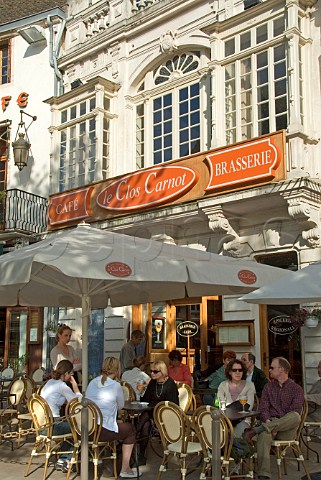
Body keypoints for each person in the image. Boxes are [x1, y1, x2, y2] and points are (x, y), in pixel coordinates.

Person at [243, 357, 304, 480]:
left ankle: (257, 430)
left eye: (272, 367)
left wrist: (276, 425)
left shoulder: (296, 389)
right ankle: (264, 475)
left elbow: (295, 411)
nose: (269, 370)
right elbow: (264, 409)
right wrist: (269, 422)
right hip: (270, 424)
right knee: (265, 435)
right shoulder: (268, 387)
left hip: (287, 429)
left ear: (281, 370)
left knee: (295, 416)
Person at [86, 356, 139, 479]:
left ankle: (101, 458)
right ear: (117, 370)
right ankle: (125, 467)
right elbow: (120, 406)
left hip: (88, 429)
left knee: (114, 424)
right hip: (102, 431)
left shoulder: (92, 382)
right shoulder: (115, 386)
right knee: (130, 429)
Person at [40, 360, 82, 472]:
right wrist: (75, 386)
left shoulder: (49, 383)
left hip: (41, 426)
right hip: (53, 425)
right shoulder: (62, 386)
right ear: (67, 373)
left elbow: (56, 400)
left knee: (68, 428)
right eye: (71, 374)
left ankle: (61, 460)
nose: (71, 376)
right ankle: (68, 461)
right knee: (78, 428)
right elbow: (77, 402)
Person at [136, 360, 179, 466]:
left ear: (163, 372)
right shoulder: (152, 383)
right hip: (152, 413)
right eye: (151, 371)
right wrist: (141, 392)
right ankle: (141, 455)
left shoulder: (170, 384)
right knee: (145, 425)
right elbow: (145, 401)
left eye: (155, 372)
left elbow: (173, 405)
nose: (152, 373)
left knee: (145, 417)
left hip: (166, 415)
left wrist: (157, 407)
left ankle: (133, 434)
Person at [217, 358, 256, 437]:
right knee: (217, 431)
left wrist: (231, 411)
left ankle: (235, 449)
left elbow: (249, 406)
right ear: (230, 372)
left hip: (244, 420)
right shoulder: (223, 385)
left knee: (236, 434)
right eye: (234, 370)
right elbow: (221, 404)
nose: (238, 372)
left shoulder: (249, 385)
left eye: (240, 370)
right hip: (226, 420)